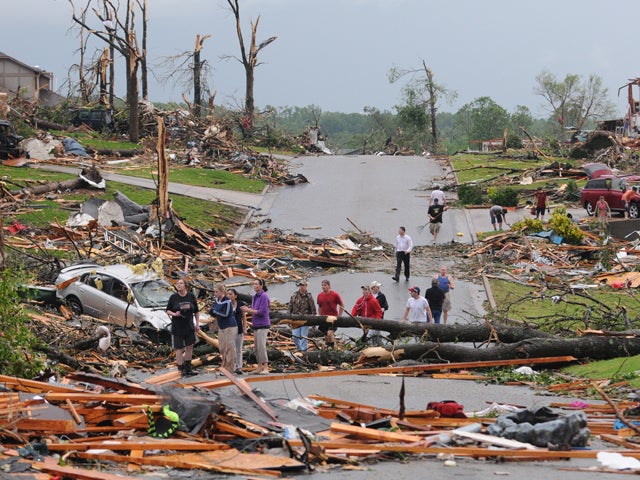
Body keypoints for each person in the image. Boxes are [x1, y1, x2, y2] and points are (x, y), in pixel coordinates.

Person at [166, 279, 200, 377]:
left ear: (185, 286)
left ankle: (188, 369)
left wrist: (197, 324)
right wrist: (174, 314)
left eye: (181, 283)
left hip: (189, 326)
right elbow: (168, 310)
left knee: (189, 347)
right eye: (177, 283)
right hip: (177, 326)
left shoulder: (191, 296)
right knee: (179, 349)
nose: (179, 285)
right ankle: (180, 369)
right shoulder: (173, 297)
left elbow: (196, 311)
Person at [241, 279, 271, 375]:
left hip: (263, 324)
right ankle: (259, 366)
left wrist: (248, 310)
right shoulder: (254, 297)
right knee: (257, 347)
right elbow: (254, 309)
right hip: (256, 324)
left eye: (256, 284)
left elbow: (262, 312)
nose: (254, 286)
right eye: (253, 284)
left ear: (261, 285)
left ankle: (266, 366)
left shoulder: (264, 296)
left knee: (262, 346)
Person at [209, 283, 236, 375]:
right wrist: (211, 311)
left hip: (229, 326)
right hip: (221, 326)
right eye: (214, 292)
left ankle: (230, 368)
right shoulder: (217, 300)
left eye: (217, 292)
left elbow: (226, 314)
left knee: (229, 348)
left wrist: (215, 312)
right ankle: (224, 366)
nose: (215, 293)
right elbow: (214, 311)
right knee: (222, 348)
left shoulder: (227, 301)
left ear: (221, 292)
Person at [288, 279, 316, 352]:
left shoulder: (309, 296)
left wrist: (314, 323)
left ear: (306, 286)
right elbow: (289, 307)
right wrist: (288, 319)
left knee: (304, 337)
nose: (302, 287)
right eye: (301, 285)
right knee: (295, 337)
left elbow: (313, 309)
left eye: (303, 285)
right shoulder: (294, 295)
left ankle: (304, 352)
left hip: (305, 319)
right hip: (295, 319)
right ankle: (300, 349)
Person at [316, 279, 345, 349]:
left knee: (329, 334)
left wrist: (339, 316)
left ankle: (332, 349)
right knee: (326, 336)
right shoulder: (319, 295)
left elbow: (342, 305)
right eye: (322, 285)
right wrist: (320, 316)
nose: (323, 287)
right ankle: (328, 348)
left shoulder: (335, 295)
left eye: (325, 285)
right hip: (324, 318)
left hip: (333, 318)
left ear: (329, 286)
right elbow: (320, 307)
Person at [227, 288, 246, 375]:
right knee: (231, 349)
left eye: (231, 294)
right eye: (228, 294)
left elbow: (243, 316)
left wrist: (245, 327)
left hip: (239, 329)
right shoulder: (226, 305)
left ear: (235, 296)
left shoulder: (240, 304)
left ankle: (239, 367)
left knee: (238, 349)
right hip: (230, 329)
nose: (229, 296)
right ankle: (231, 366)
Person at [368, 280, 388, 345]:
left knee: (371, 334)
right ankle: (380, 347)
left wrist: (383, 309)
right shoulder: (369, 296)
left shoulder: (382, 296)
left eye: (379, 287)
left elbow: (386, 305)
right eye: (377, 287)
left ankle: (372, 347)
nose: (379, 288)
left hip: (378, 318)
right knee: (377, 335)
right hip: (369, 318)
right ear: (373, 288)